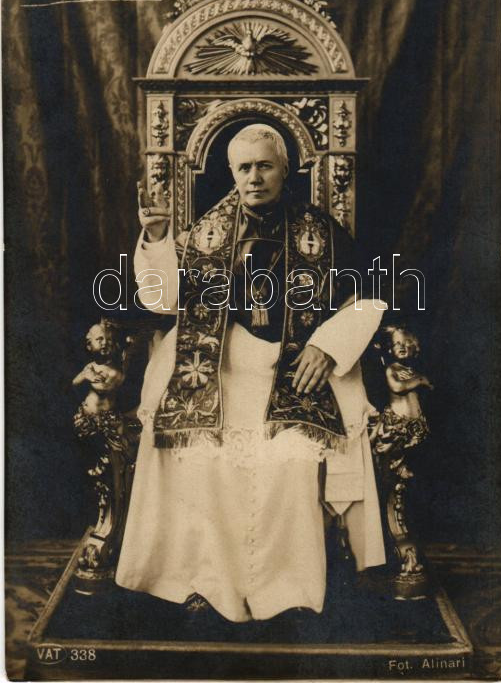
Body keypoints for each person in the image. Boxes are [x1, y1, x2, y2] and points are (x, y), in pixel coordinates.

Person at [115, 124, 386, 623]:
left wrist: (327, 346)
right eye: (244, 168)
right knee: (201, 457)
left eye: (264, 166)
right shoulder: (206, 231)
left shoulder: (322, 231)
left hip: (292, 368)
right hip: (221, 368)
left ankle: (286, 592)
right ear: (231, 172)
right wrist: (155, 238)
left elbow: (366, 298)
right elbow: (163, 300)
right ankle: (205, 583)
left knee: (290, 463)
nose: (254, 177)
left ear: (285, 169)